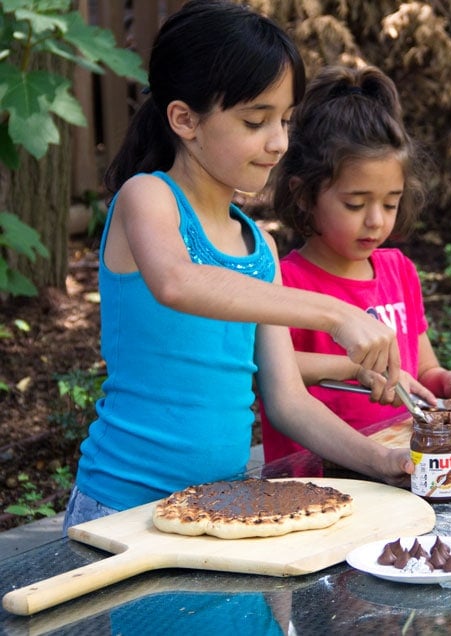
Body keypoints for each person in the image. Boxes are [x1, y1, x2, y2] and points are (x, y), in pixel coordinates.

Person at [62, 1, 413, 532]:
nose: (279, 142)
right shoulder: (147, 198)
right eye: (256, 121)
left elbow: (287, 400)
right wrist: (335, 313)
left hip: (223, 509)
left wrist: (384, 462)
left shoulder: (258, 245)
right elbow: (178, 282)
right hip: (121, 509)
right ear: (185, 119)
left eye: (286, 120)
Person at [260, 65, 451, 462]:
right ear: (305, 195)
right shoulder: (285, 283)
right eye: (355, 204)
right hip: (315, 475)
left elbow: (422, 369)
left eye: (390, 203)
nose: (376, 220)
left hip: (397, 463)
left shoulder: (399, 271)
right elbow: (270, 371)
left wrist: (449, 382)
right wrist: (351, 367)